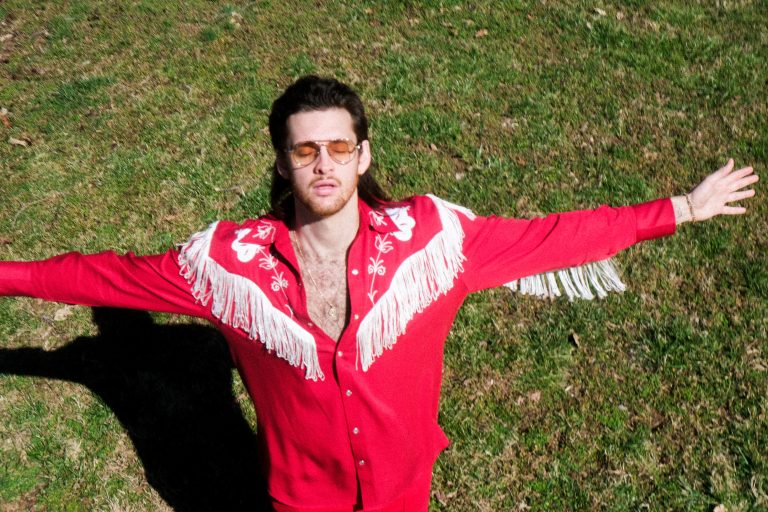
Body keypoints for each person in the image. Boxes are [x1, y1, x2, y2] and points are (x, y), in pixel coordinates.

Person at [0, 75, 758, 512]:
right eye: (305, 149)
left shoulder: (434, 245)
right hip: (300, 502)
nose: (323, 164)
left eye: (339, 147)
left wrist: (679, 209)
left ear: (362, 156)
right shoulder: (228, 270)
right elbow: (100, 276)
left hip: (403, 492)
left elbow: (552, 236)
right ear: (283, 162)